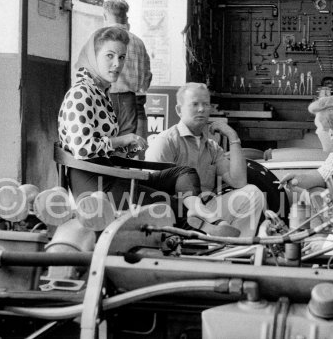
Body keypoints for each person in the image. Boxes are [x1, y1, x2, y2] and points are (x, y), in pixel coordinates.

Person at [58, 27, 238, 237]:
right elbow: (82, 148)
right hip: (97, 185)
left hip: (109, 171)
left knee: (184, 172)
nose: (117, 64)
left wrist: (126, 148)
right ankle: (206, 232)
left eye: (122, 57)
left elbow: (103, 149)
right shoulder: (81, 94)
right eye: (109, 56)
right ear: (92, 56)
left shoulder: (99, 92)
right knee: (171, 206)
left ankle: (206, 216)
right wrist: (122, 139)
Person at [145, 83, 265, 237]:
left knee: (252, 193)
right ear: (179, 110)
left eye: (206, 104)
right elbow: (152, 191)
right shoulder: (166, 142)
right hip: (177, 213)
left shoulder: (212, 147)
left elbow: (239, 182)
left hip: (208, 210)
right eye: (194, 104)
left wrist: (233, 137)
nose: (201, 109)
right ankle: (215, 244)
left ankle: (234, 251)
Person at [103, 0, 152, 140]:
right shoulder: (138, 42)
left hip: (110, 102)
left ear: (105, 16)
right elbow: (147, 77)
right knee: (135, 154)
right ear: (126, 18)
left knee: (113, 153)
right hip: (137, 104)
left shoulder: (102, 40)